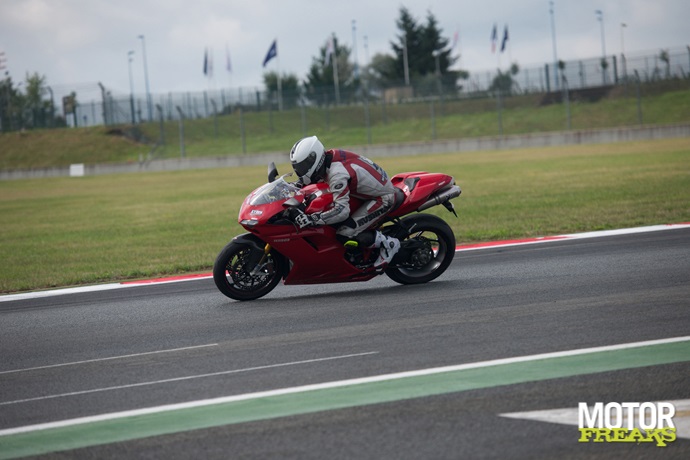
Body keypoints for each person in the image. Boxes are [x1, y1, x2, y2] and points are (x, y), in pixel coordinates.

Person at [289, 135, 400, 268]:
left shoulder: (337, 175)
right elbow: (311, 181)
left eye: (303, 166)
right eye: (298, 167)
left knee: (345, 232)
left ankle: (389, 244)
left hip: (382, 198)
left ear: (314, 159)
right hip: (364, 193)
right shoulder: (327, 158)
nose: (300, 170)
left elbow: (342, 211)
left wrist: (313, 219)